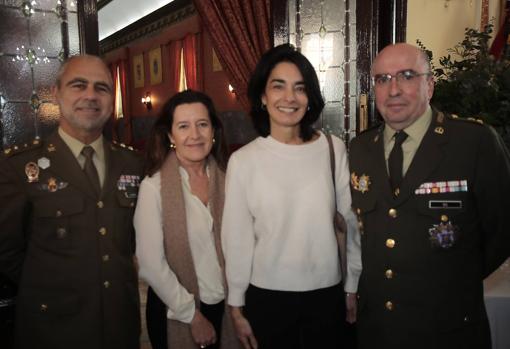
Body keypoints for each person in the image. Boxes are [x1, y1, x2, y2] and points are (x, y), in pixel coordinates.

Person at [349, 43, 510, 349]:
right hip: (378, 330)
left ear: (430, 85)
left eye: (406, 76)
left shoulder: (473, 142)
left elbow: (502, 231)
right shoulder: (360, 148)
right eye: (382, 79)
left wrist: (451, 280)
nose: (393, 89)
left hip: (447, 327)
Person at [221, 44, 362, 349]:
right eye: (278, 86)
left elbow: (349, 223)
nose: (289, 98)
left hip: (327, 294)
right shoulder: (244, 161)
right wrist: (236, 305)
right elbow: (237, 239)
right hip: (267, 297)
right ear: (262, 96)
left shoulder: (332, 148)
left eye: (300, 88)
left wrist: (352, 285)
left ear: (309, 97)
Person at [0, 55, 143, 349]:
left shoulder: (133, 163)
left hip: (120, 326)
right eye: (79, 85)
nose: (90, 95)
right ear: (57, 92)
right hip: (53, 329)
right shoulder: (19, 167)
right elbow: (7, 252)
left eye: (101, 88)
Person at [134, 90, 240, 349]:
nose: (195, 135)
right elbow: (150, 264)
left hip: (230, 309)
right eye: (183, 126)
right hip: (178, 314)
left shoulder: (233, 180)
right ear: (171, 135)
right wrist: (192, 316)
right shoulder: (154, 187)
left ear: (214, 130)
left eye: (202, 124)